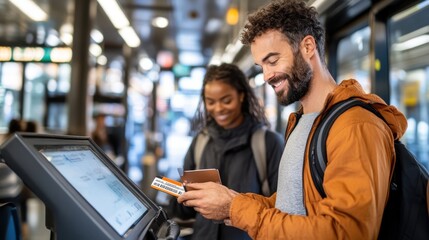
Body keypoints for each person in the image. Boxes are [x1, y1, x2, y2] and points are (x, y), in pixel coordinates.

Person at [177, 0, 408, 239]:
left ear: (308, 47)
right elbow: (292, 204)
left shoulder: (355, 125)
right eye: (261, 65)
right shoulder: (302, 121)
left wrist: (236, 208)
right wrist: (232, 201)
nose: (266, 75)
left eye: (273, 61)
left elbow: (346, 232)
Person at [169, 63, 284, 240]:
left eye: (226, 100)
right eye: (211, 102)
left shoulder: (268, 143)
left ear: (241, 96)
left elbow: (282, 208)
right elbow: (185, 211)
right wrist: (180, 197)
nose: (218, 109)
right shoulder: (201, 141)